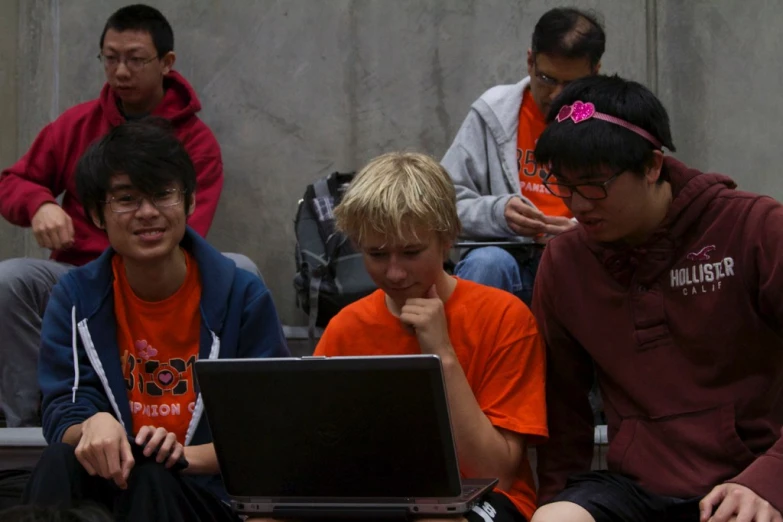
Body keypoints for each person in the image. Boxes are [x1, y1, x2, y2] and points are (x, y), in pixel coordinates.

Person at [529, 75, 783, 522]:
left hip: (751, 479)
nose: (577, 205)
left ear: (651, 165)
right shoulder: (565, 261)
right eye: (562, 185)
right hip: (634, 489)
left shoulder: (756, 228)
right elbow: (562, 407)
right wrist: (552, 498)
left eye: (593, 184)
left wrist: (770, 479)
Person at [0, 4, 257, 427]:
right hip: (78, 277)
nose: (121, 71)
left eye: (135, 59)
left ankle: (214, 424)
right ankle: (33, 425)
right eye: (110, 57)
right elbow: (14, 181)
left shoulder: (197, 142)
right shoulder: (76, 124)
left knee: (243, 270)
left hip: (159, 281)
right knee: (12, 280)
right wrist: (39, 204)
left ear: (166, 63)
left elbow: (185, 234)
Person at [21, 119, 289, 521]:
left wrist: (182, 457)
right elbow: (64, 406)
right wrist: (94, 424)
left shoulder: (241, 295)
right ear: (96, 213)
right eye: (126, 199)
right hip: (114, 482)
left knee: (152, 478)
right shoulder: (77, 297)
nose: (147, 213)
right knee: (59, 461)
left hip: (208, 496)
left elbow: (268, 429)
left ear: (190, 202)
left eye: (163, 194)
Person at [311, 152, 547, 522]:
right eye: (376, 254)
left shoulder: (504, 317)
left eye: (411, 252)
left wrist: (441, 354)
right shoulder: (347, 327)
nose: (394, 273)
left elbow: (494, 473)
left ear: (447, 237)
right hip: (379, 496)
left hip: (482, 501)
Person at [441, 7, 605, 304]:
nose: (557, 95)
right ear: (530, 61)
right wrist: (498, 213)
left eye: (572, 85)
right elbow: (438, 205)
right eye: (546, 78)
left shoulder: (609, 120)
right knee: (486, 264)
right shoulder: (493, 112)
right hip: (504, 254)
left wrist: (581, 232)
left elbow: (638, 214)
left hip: (580, 258)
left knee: (577, 267)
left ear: (595, 72)